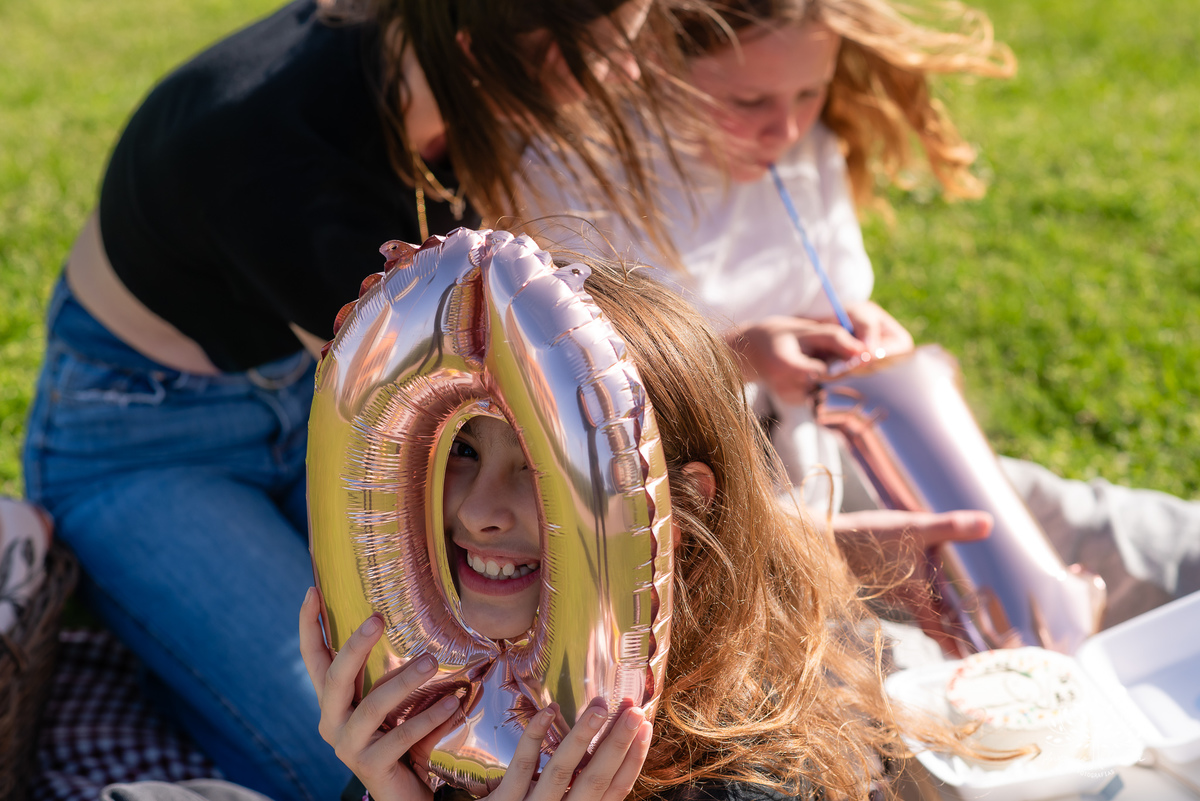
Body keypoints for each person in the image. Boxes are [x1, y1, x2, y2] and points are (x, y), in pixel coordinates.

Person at [20, 2, 696, 799]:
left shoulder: (427, 49)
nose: (623, 72)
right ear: (489, 39)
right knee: (380, 746)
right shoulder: (289, 160)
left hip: (307, 395)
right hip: (143, 440)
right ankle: (165, 659)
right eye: (601, 51)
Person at [518, 0, 1200, 631]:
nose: (784, 127)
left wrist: (867, 336)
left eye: (808, 92)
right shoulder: (578, 173)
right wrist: (741, 353)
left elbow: (824, 290)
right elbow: (567, 386)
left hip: (837, 447)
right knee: (909, 652)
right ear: (657, 64)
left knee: (1081, 530)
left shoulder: (801, 146)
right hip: (708, 512)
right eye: (747, 99)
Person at [299, 260, 971, 801]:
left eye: (539, 470)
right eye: (463, 453)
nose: (480, 511)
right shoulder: (429, 721)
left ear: (677, 507)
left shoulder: (744, 771)